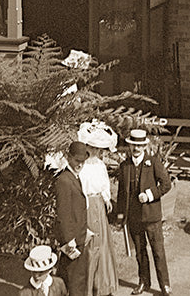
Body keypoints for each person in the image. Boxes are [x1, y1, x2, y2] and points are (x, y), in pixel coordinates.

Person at [116, 128, 172, 296]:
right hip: (134, 217)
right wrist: (120, 215)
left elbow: (166, 184)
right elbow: (120, 193)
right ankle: (144, 282)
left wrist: (149, 195)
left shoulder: (153, 162)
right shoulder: (125, 166)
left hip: (152, 216)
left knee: (158, 251)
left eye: (139, 146)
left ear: (144, 146)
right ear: (130, 146)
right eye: (133, 145)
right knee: (140, 252)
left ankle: (165, 286)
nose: (136, 149)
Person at [77, 121, 119, 296]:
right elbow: (80, 187)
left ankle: (102, 285)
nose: (94, 152)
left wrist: (106, 198)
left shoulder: (100, 165)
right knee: (90, 245)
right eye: (92, 148)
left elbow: (104, 184)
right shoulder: (82, 166)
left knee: (102, 245)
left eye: (97, 149)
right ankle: (86, 286)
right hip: (86, 206)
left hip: (99, 207)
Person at [55, 141, 91, 296]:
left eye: (82, 162)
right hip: (72, 240)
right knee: (76, 279)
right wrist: (69, 239)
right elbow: (63, 213)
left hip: (79, 235)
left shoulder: (75, 177)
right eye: (77, 161)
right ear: (69, 158)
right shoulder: (64, 180)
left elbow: (78, 209)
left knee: (70, 276)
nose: (80, 165)